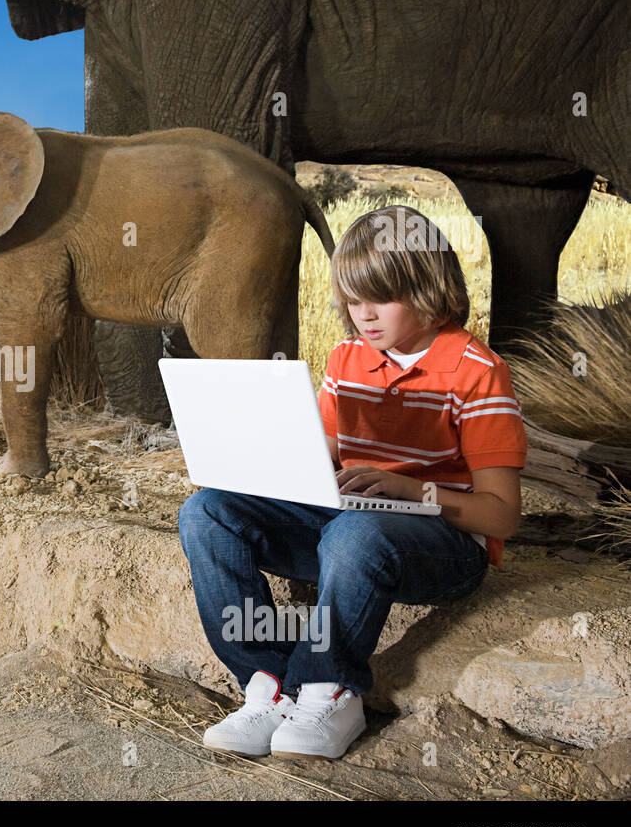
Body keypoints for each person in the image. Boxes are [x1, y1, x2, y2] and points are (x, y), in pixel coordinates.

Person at [177, 205, 529, 759]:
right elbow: (319, 467)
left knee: (358, 531)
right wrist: (254, 462)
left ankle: (329, 689)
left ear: (430, 288)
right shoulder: (345, 359)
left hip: (442, 549)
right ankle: (266, 687)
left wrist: (408, 489)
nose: (363, 315)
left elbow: (502, 515)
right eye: (351, 299)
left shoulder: (476, 370)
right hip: (346, 531)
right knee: (206, 512)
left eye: (380, 297)